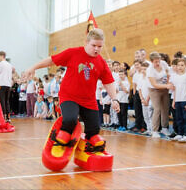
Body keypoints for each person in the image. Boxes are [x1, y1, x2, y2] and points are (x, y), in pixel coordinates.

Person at [25, 29, 119, 170]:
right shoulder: (72, 53)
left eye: (100, 46)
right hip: (69, 96)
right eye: (94, 45)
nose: (97, 49)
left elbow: (109, 82)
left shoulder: (101, 62)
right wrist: (33, 67)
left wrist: (115, 99)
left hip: (88, 100)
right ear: (86, 42)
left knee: (94, 130)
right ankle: (60, 141)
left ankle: (83, 150)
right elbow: (52, 60)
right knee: (69, 120)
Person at [147, 52, 173, 138]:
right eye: (155, 62)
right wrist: (167, 85)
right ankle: (154, 130)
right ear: (151, 62)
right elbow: (154, 84)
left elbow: (168, 74)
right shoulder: (150, 70)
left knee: (165, 108)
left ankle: (164, 128)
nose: (158, 63)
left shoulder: (164, 64)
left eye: (158, 61)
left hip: (164, 88)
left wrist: (168, 82)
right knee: (157, 109)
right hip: (154, 90)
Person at [171, 58, 186, 142]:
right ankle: (180, 134)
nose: (180, 67)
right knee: (178, 118)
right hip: (177, 100)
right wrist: (174, 100)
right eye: (178, 65)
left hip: (185, 99)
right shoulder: (175, 77)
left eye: (182, 65)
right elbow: (175, 89)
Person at [138, 62, 153, 136]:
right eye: (142, 69)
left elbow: (150, 89)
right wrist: (142, 99)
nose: (143, 70)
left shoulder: (149, 78)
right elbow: (139, 89)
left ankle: (152, 130)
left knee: (150, 115)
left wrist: (147, 100)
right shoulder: (140, 77)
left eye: (145, 69)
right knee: (145, 116)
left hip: (149, 99)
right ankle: (148, 129)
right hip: (143, 99)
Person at [131, 60, 146, 133]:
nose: (137, 66)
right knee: (137, 110)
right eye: (135, 65)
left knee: (143, 110)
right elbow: (134, 84)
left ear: (141, 65)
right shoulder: (135, 74)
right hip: (137, 93)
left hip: (143, 93)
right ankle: (138, 125)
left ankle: (144, 126)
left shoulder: (143, 73)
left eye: (138, 64)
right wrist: (134, 94)